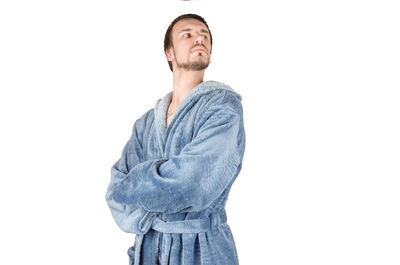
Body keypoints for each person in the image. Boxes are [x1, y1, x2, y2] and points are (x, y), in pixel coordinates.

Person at [105, 13, 246, 265]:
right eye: (187, 34)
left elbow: (193, 183)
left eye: (204, 35)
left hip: (202, 251)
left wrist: (138, 185)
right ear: (169, 53)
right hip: (148, 250)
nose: (199, 39)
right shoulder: (146, 124)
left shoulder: (224, 108)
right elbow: (115, 193)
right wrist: (150, 212)